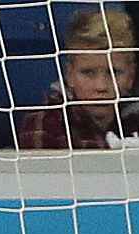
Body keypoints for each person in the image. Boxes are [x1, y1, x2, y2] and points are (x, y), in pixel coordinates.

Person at [18, 9, 139, 150]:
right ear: (69, 75)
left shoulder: (134, 117)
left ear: (131, 76)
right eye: (88, 73)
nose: (101, 86)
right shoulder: (46, 122)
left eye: (114, 72)